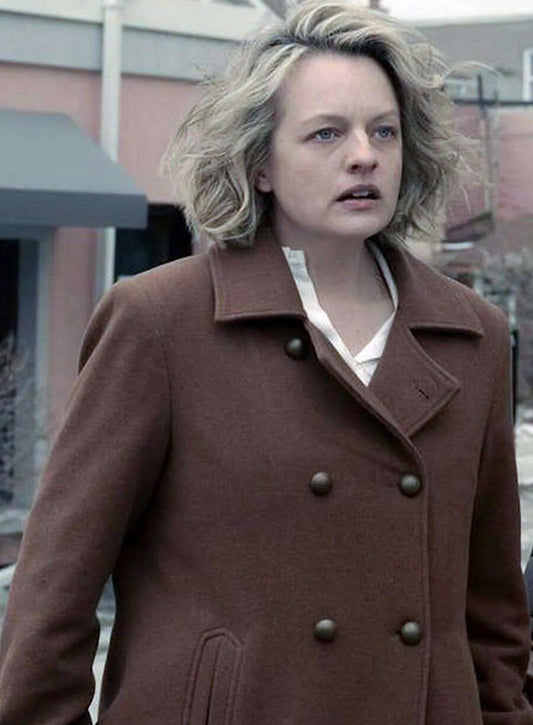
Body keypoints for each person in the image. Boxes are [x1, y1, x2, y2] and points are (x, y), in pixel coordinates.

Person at [0, 1, 531, 723]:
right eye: (326, 133)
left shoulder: (472, 334)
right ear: (259, 164)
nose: (364, 156)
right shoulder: (161, 321)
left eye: (383, 131)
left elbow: (494, 615)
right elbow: (52, 594)